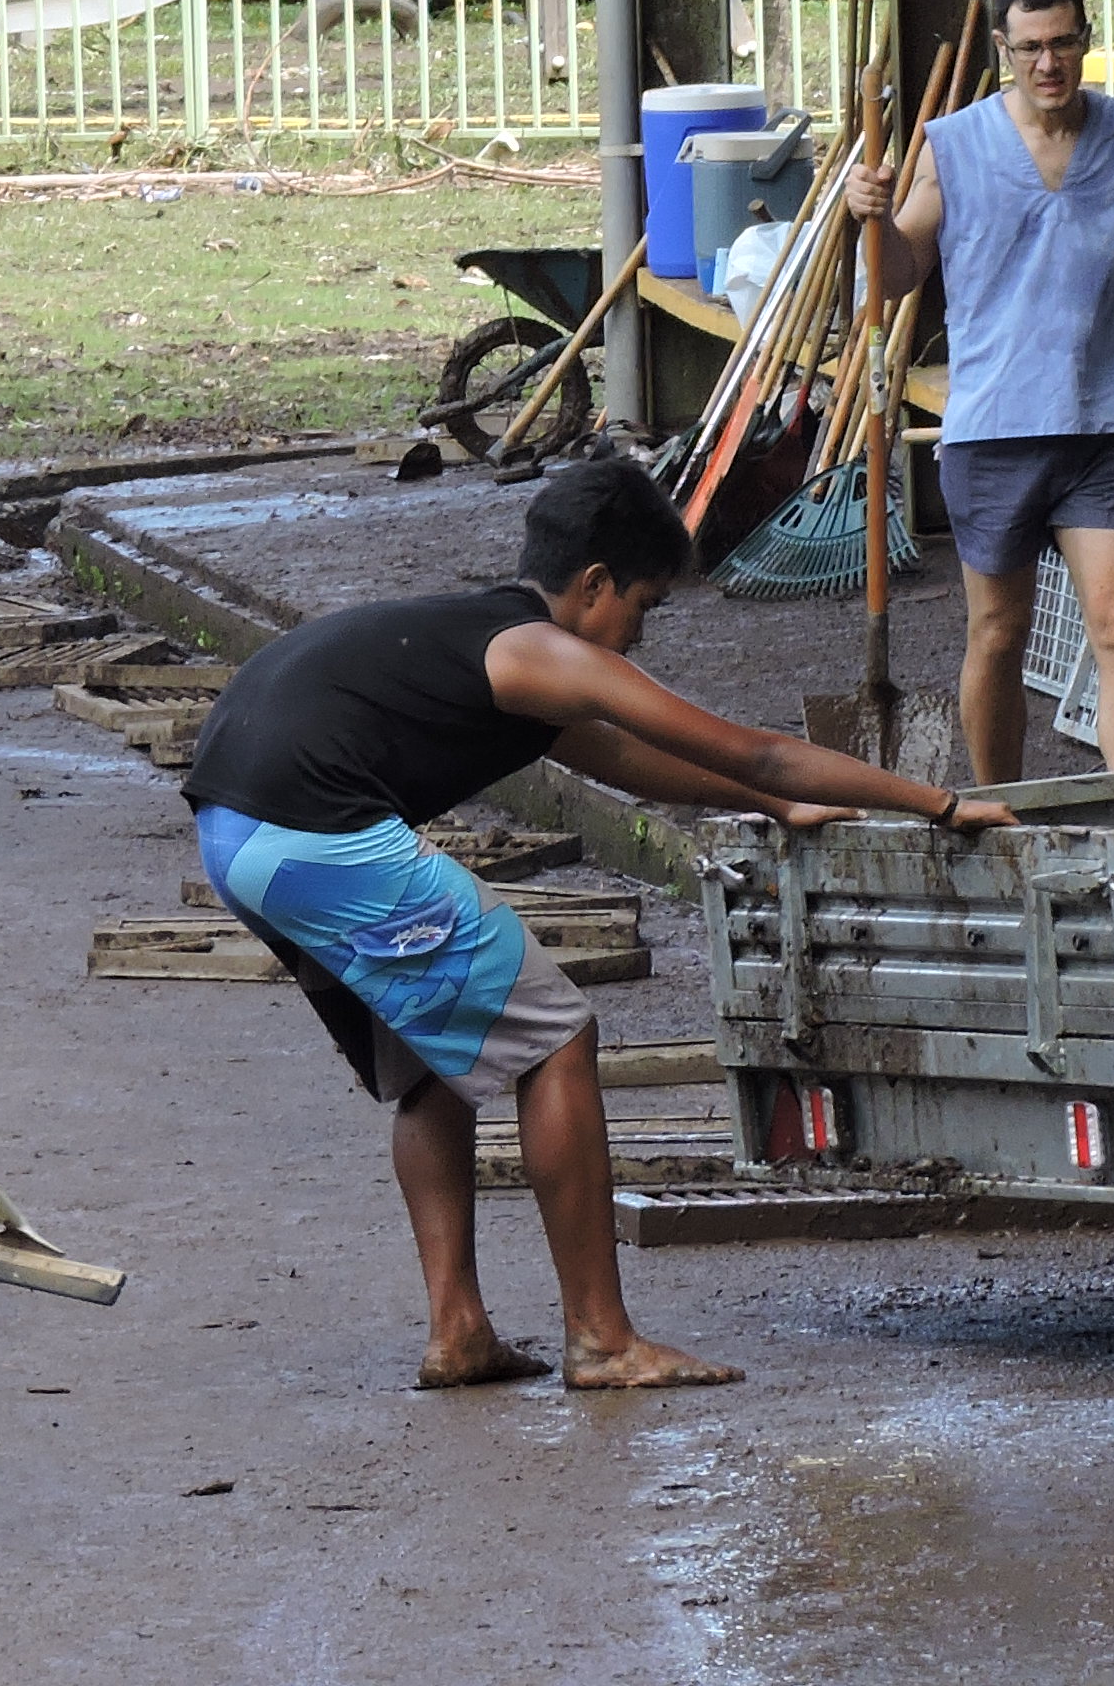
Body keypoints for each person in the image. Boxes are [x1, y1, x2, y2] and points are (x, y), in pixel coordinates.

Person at [184, 457, 1011, 1394]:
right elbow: (764, 752)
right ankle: (603, 1339)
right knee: (559, 1040)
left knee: (432, 1068)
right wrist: (939, 805)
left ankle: (459, 1333)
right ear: (593, 586)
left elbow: (630, 761)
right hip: (316, 837)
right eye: (645, 608)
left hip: (238, 838)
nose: (641, 634)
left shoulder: (489, 646)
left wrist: (774, 809)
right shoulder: (540, 650)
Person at [844, 0, 1114, 781]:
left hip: (1104, 426)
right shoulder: (958, 144)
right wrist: (862, 216)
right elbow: (900, 273)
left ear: (1085, 41)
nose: (1050, 64)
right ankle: (1001, 812)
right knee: (998, 634)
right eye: (1031, 49)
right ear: (1007, 52)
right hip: (995, 428)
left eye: (1065, 44)